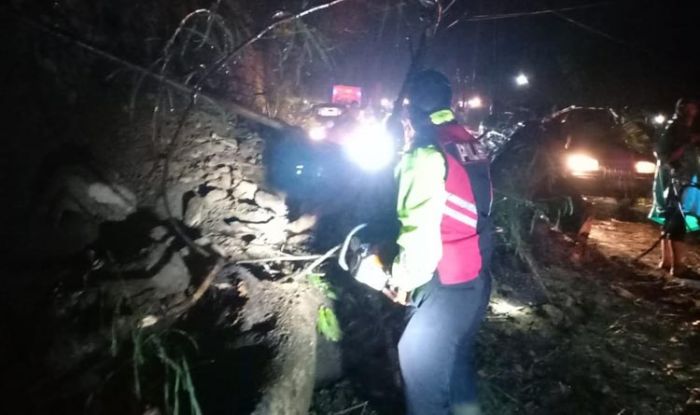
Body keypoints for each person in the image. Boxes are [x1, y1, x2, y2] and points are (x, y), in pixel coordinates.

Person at [354, 70, 493, 414]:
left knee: (418, 362)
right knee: (456, 361)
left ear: (409, 111)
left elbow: (420, 236)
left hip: (447, 285)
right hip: (478, 278)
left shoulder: (424, 154)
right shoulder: (468, 142)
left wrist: (400, 281)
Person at [650, 98, 700, 276]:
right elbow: (665, 156)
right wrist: (688, 143)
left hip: (682, 180)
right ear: (684, 108)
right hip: (677, 181)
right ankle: (678, 266)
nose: (695, 110)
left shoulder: (679, 127)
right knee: (677, 219)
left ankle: (667, 261)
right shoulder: (675, 127)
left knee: (671, 218)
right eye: (693, 107)